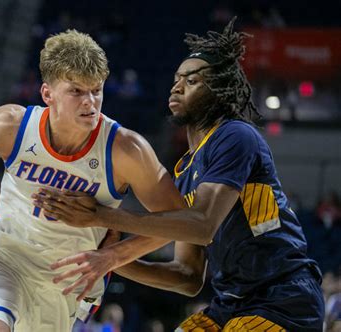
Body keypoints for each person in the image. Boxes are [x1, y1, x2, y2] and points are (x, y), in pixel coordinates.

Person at [34, 19, 325, 331]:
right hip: (230, 303)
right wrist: (111, 259)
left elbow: (202, 226)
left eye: (192, 81)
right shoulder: (185, 171)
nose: (177, 86)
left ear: (218, 92)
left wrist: (101, 217)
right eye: (176, 79)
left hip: (284, 298)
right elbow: (187, 277)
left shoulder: (235, 135)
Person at [0, 30, 204, 331]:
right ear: (47, 93)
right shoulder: (12, 125)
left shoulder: (126, 150)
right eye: (76, 91)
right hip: (7, 257)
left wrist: (113, 257)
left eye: (96, 90)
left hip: (70, 279)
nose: (90, 102)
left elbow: (177, 221)